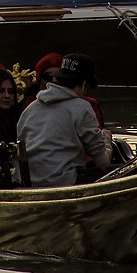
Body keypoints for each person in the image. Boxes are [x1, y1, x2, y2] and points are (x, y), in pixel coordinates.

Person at [16, 52, 112, 187]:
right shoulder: (82, 107)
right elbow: (103, 163)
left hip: (27, 181)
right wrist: (107, 140)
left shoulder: (31, 108)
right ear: (84, 84)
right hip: (62, 182)